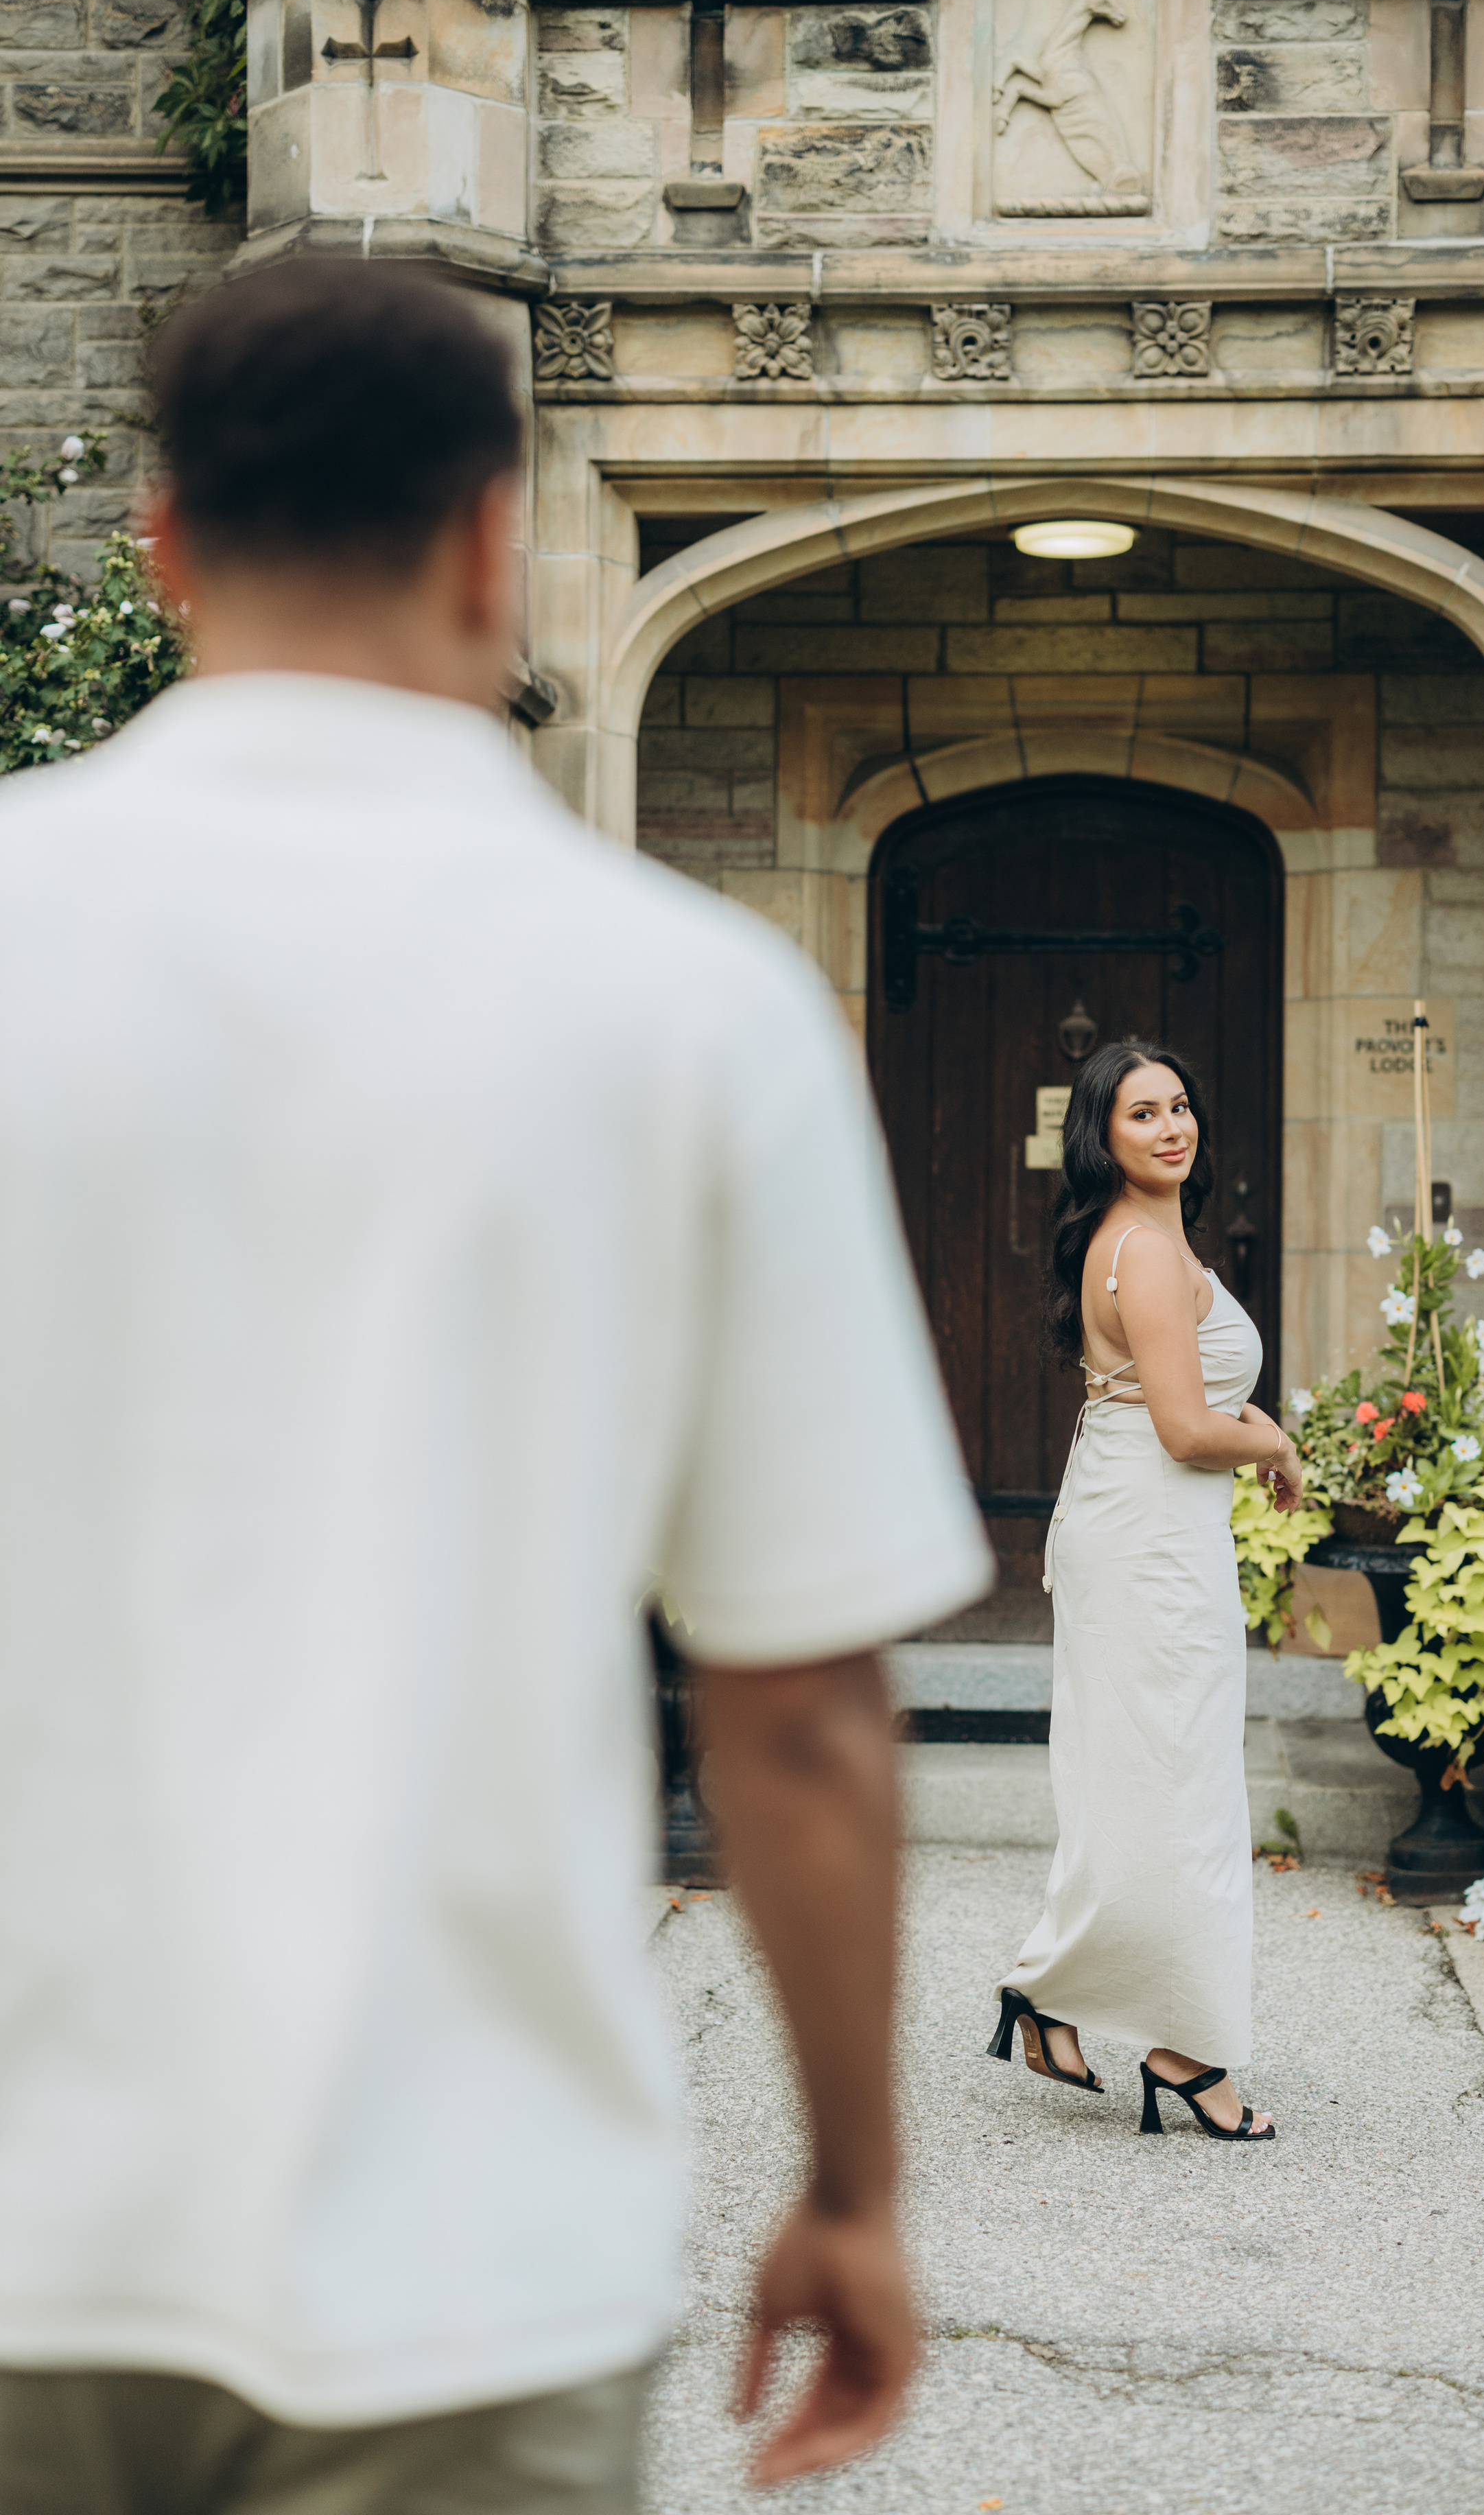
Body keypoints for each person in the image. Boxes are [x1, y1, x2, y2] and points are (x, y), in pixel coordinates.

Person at [0, 259, 991, 2514]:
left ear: (158, 546)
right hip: (466, 2247)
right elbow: (804, 1710)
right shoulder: (692, 1011)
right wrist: (851, 2186)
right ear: (493, 535)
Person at [988, 1040, 1300, 2141]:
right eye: (1142, 1116)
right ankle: (1186, 2050)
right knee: (1182, 1786)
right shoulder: (1149, 1254)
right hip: (1149, 1539)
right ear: (1102, 1136)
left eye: (1180, 1107)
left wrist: (1250, 1438)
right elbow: (1183, 1426)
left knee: (1152, 1776)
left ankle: (1056, 1992)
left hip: (1147, 1527)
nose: (1172, 1128)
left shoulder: (1146, 1237)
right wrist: (1275, 1440)